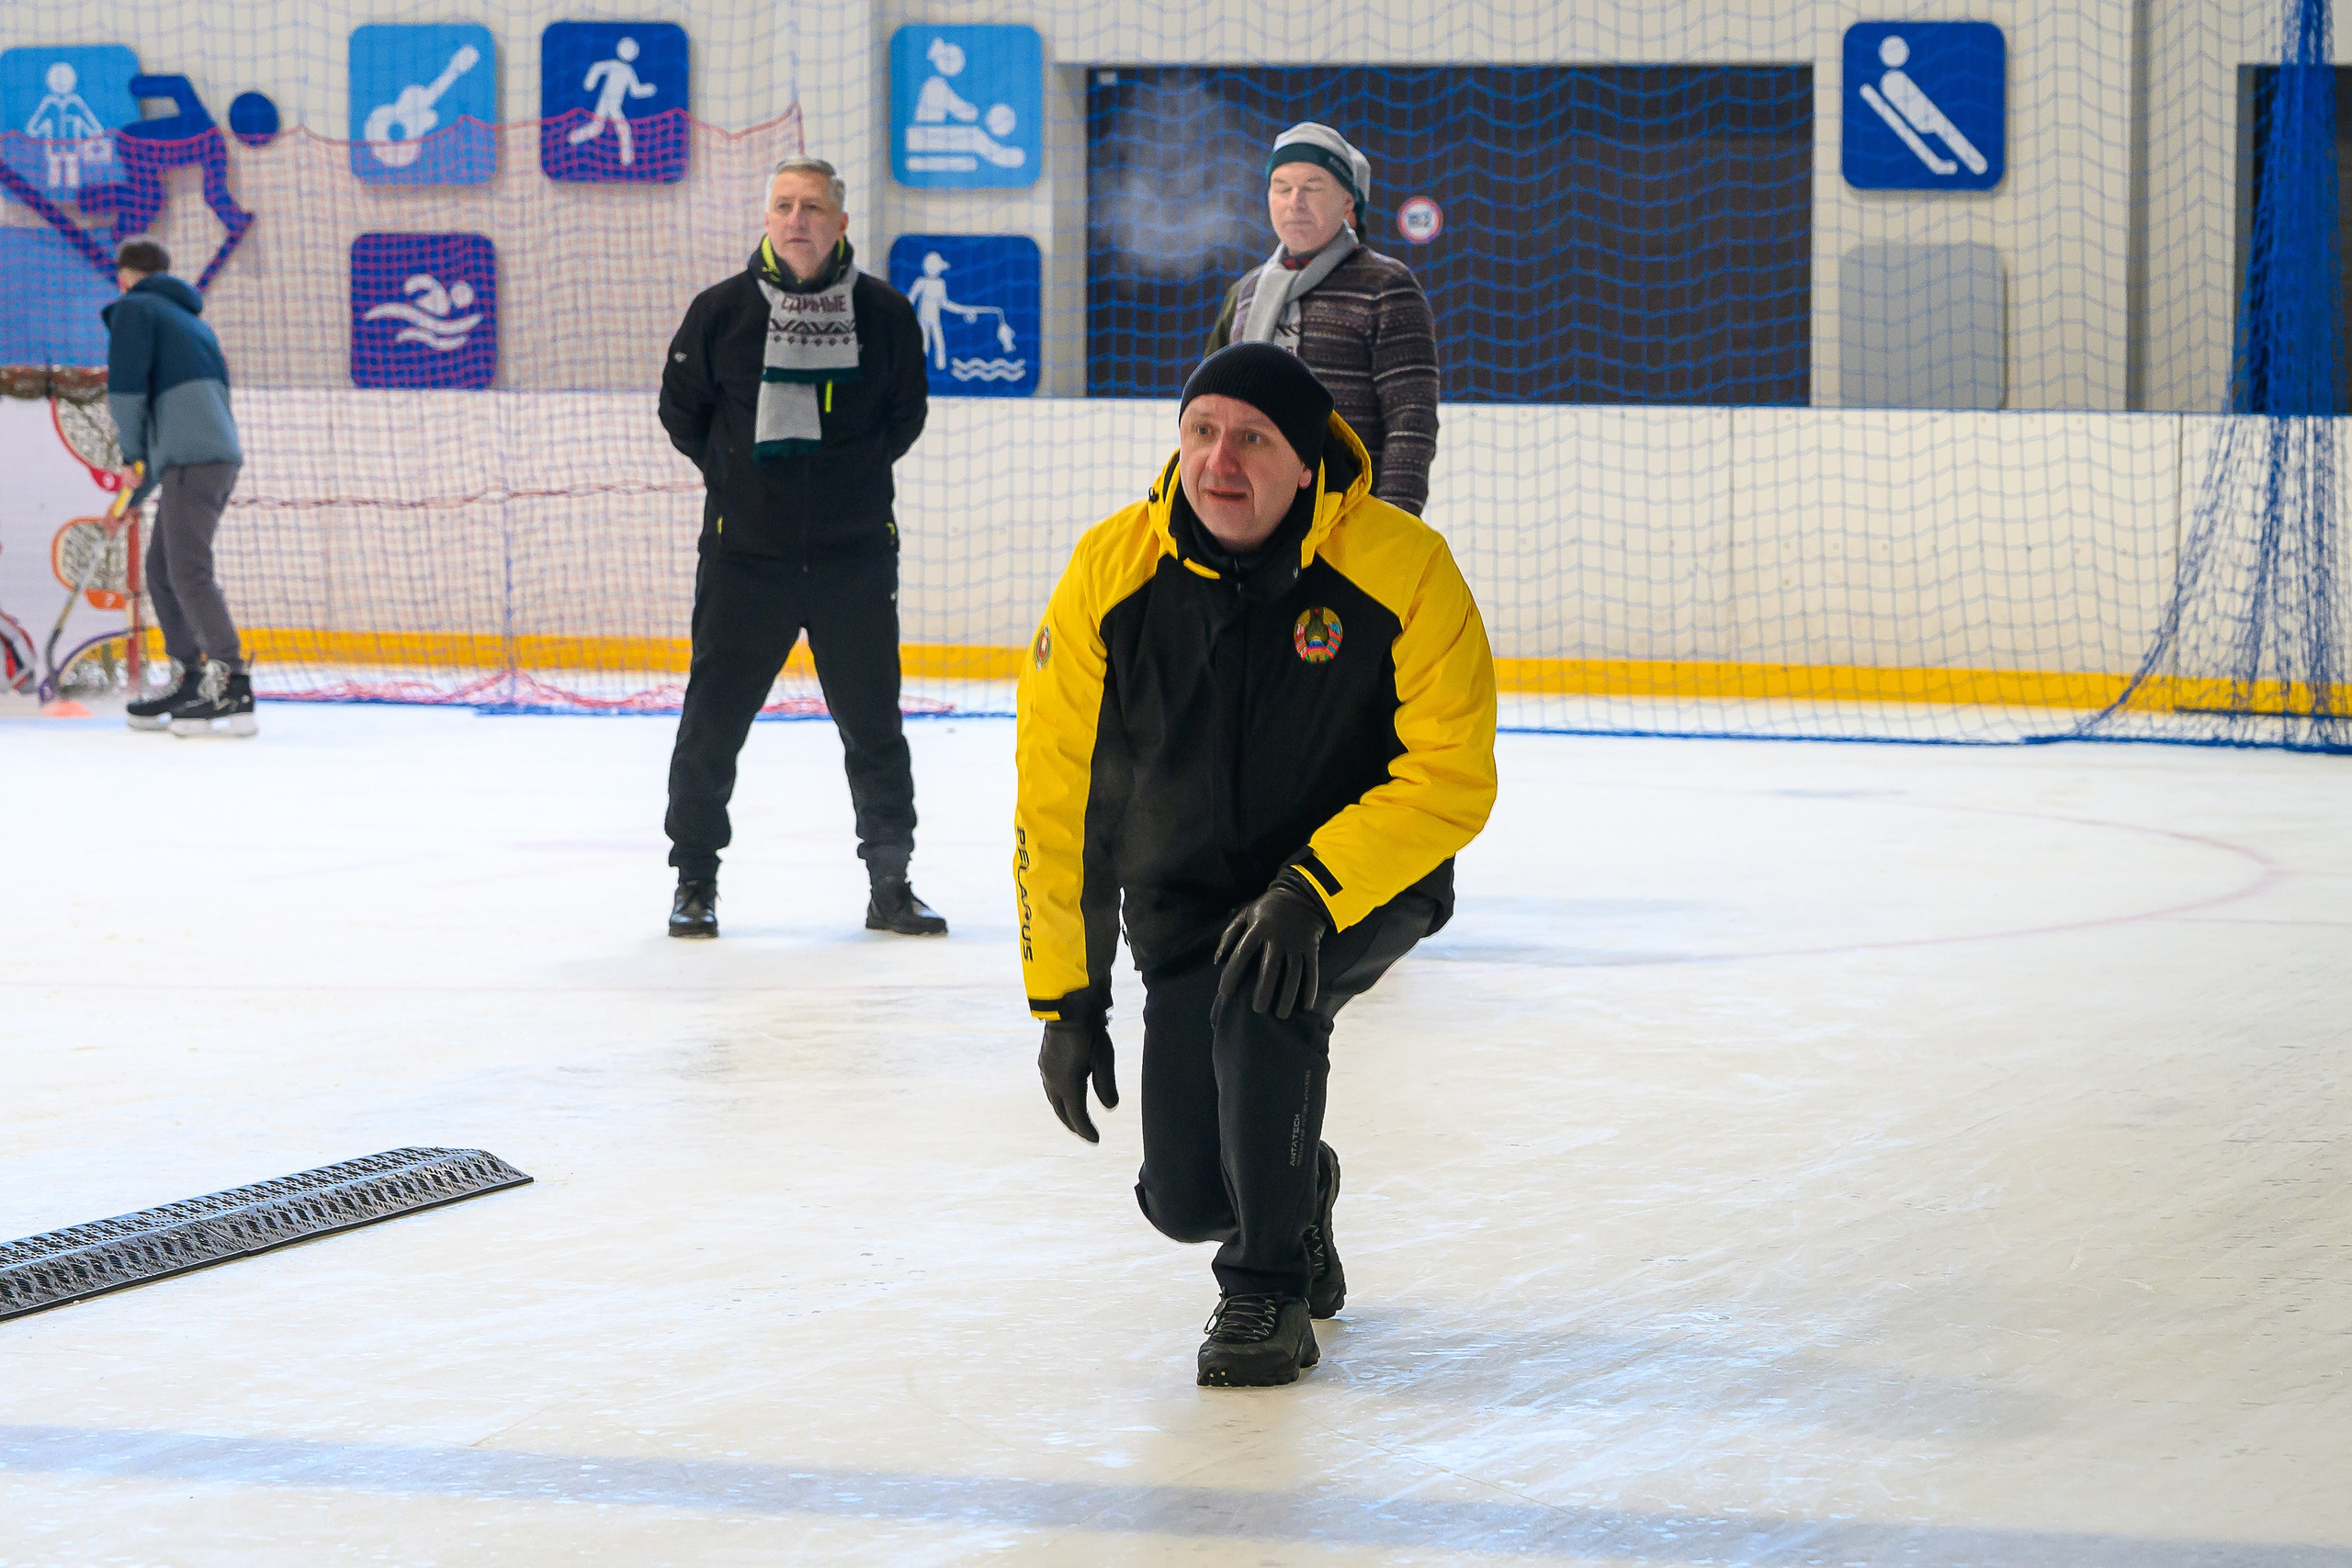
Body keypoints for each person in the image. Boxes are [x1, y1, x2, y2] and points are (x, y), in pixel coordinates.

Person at [1015, 344, 1497, 1387]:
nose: (1217, 461)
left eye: (1250, 439)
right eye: (1199, 432)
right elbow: (1059, 799)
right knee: (1184, 1198)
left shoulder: (1401, 566)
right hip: (1185, 891)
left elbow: (1452, 777)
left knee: (1264, 995)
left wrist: (1309, 890)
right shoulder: (1111, 571)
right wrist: (1066, 999)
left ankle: (1265, 1292)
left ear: (1304, 459)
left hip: (1358, 882)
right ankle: (1296, 1190)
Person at [658, 155, 945, 941]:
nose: (797, 220)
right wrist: (739, 481)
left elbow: (904, 417)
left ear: (841, 222)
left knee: (873, 725)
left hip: (854, 558)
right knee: (713, 722)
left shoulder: (884, 314)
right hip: (745, 559)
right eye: (784, 205)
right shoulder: (720, 312)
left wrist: (845, 481)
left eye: (813, 207)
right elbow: (682, 413)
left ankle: (890, 882)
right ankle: (695, 880)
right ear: (767, 217)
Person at [1204, 122, 1440, 517]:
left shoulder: (1387, 286)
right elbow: (1210, 409)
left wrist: (1394, 523)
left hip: (1350, 519)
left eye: (1312, 187)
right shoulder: (1245, 294)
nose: (1295, 201)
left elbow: (1410, 423)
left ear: (1348, 203)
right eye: (1282, 187)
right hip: (1254, 519)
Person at [106, 238, 254, 738]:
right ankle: (191, 676)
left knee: (186, 571)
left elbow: (128, 395)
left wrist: (130, 461)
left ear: (125, 275)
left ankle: (234, 683)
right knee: (162, 569)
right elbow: (173, 417)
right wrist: (136, 494)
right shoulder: (192, 323)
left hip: (194, 462)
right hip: (202, 459)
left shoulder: (134, 311)